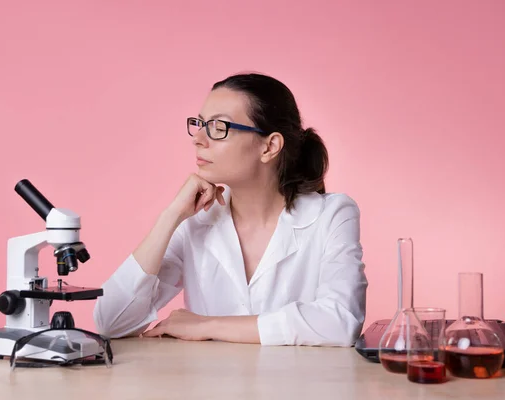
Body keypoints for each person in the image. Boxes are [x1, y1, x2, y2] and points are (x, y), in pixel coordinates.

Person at [93, 72, 367, 347]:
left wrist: (208, 325)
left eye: (218, 127)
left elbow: (340, 321)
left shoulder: (331, 215)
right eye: (199, 124)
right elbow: (111, 322)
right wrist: (170, 216)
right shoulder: (195, 222)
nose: (198, 139)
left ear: (269, 146)